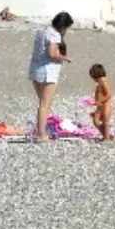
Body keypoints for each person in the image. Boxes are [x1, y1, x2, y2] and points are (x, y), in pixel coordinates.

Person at [28, 12, 74, 142]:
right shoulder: (54, 34)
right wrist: (65, 58)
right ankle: (41, 134)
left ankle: (42, 130)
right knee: (45, 104)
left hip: (36, 70)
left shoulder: (42, 32)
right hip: (48, 72)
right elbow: (51, 53)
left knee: (42, 103)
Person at [89, 63, 113, 141]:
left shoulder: (103, 81)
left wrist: (100, 101)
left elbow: (109, 94)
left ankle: (106, 137)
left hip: (106, 105)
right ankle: (107, 135)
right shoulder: (100, 82)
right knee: (95, 120)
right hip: (100, 105)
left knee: (105, 121)